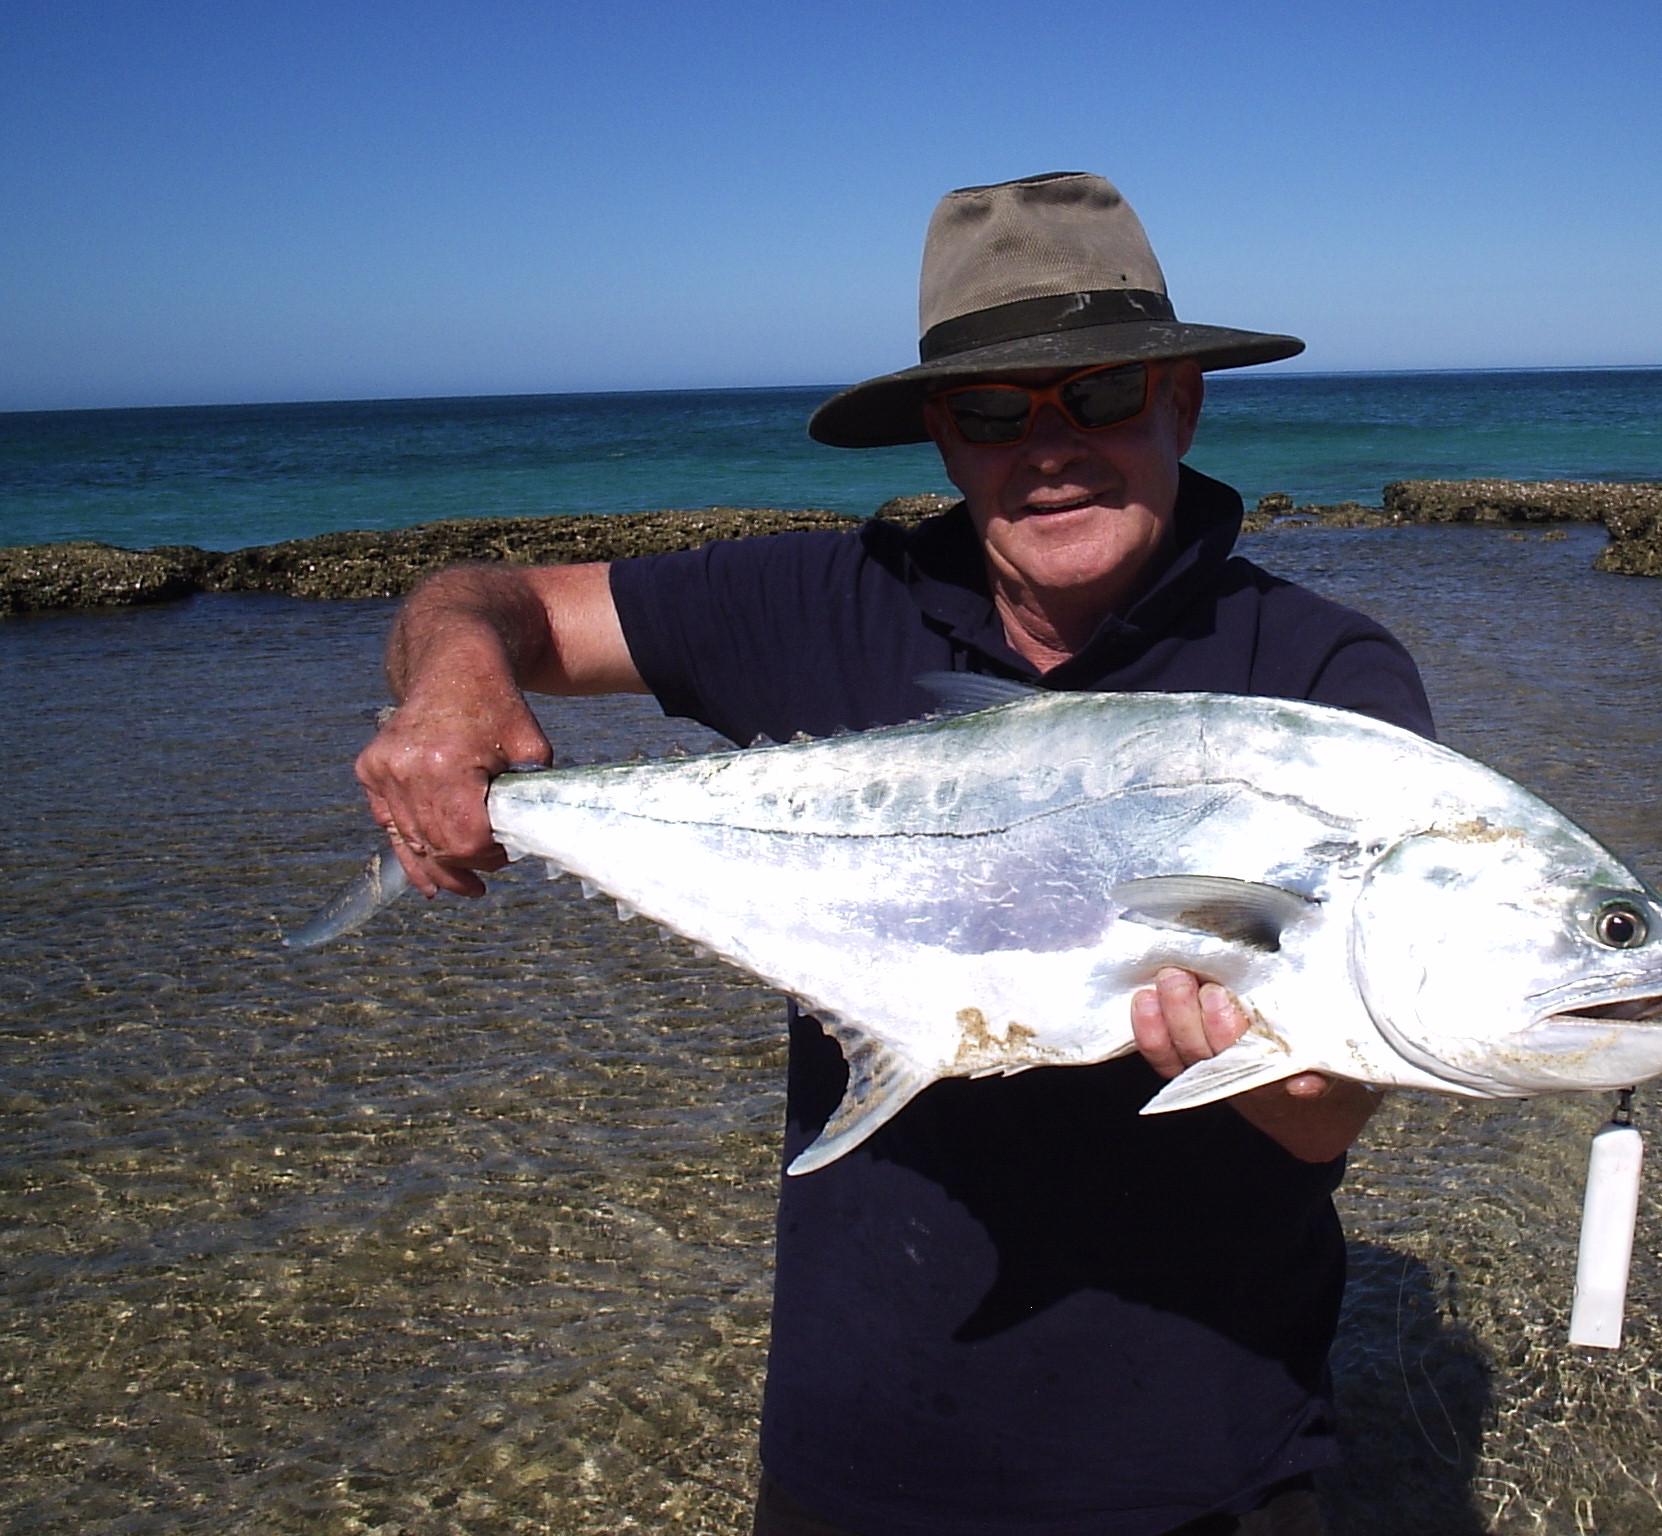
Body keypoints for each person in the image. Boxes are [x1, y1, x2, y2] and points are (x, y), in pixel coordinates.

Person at [355, 172, 1434, 1536]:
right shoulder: (823, 602)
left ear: (1181, 401)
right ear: (942, 434)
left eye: (1098, 394)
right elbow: (488, 603)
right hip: (858, 1453)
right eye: (994, 413)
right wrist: (449, 692)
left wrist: (1241, 1047)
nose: (1049, 451)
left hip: (1199, 1463)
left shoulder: (1317, 681)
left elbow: (1329, 1113)